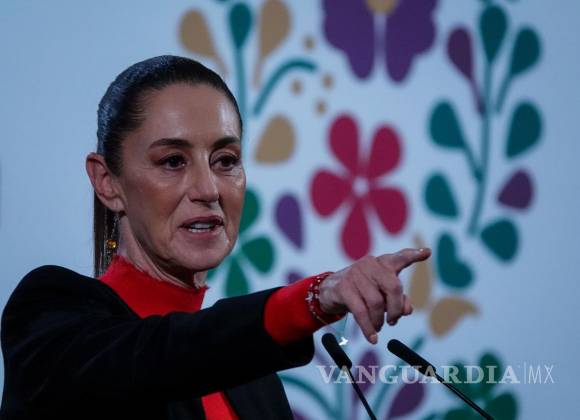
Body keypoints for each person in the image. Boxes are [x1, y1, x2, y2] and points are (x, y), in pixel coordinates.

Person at [0, 56, 430, 420]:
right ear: (107, 182)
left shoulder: (254, 381)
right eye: (172, 161)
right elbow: (162, 356)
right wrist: (314, 298)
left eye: (225, 160)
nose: (208, 189)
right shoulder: (50, 317)